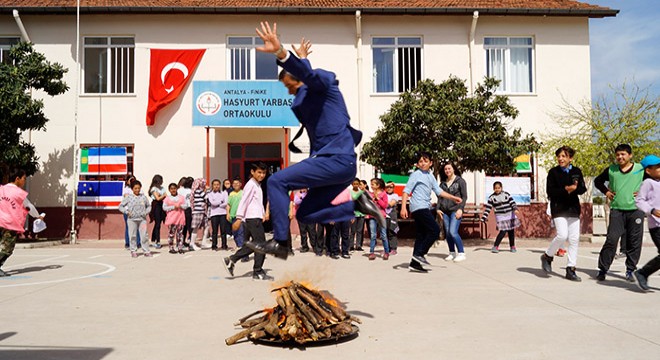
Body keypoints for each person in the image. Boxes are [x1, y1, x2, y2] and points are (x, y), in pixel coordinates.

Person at [246, 22, 384, 259]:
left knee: (276, 181)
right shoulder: (308, 94)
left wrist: (282, 53)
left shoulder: (323, 84)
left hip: (335, 158)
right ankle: (356, 206)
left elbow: (309, 76)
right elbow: (304, 77)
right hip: (342, 167)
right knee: (305, 214)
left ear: (297, 78)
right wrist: (301, 59)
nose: (289, 92)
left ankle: (280, 243)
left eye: (289, 86)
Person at [400, 152, 462, 272]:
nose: (423, 163)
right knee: (434, 230)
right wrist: (403, 207)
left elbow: (438, 191)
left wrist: (453, 198)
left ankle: (414, 263)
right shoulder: (415, 174)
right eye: (420, 161)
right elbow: (406, 191)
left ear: (430, 163)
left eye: (425, 161)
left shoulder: (430, 175)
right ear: (417, 164)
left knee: (421, 235)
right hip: (419, 207)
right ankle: (420, 254)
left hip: (425, 207)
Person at [594, 144, 645, 282]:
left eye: (623, 154)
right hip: (617, 210)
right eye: (618, 155)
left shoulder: (640, 169)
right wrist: (606, 192)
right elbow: (597, 181)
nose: (620, 157)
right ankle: (603, 269)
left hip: (636, 211)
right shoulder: (612, 170)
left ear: (630, 155)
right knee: (611, 239)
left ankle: (630, 270)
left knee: (634, 241)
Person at [540, 146, 587, 281]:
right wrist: (566, 189)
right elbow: (551, 191)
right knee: (562, 235)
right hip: (559, 208)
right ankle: (547, 256)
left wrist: (576, 189)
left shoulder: (577, 171)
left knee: (574, 239)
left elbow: (582, 188)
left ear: (570, 158)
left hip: (573, 209)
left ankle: (571, 268)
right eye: (559, 156)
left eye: (564, 156)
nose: (561, 159)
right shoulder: (553, 172)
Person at [223, 162, 272, 280]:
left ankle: (233, 259)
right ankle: (257, 271)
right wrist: (239, 218)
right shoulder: (250, 185)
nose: (261, 175)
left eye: (264, 173)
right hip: (252, 218)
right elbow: (244, 201)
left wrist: (263, 213)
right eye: (259, 172)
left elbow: (255, 202)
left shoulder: (256, 185)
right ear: (252, 172)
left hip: (254, 217)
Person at [0, 168, 44, 277]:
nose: (24, 181)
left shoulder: (1, 189)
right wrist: (38, 216)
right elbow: (29, 207)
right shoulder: (19, 193)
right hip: (9, 224)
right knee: (7, 248)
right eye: (24, 178)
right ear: (17, 178)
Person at [633, 155, 660, 291]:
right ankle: (642, 273)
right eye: (658, 167)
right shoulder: (648, 183)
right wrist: (651, 210)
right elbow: (639, 201)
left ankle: (643, 273)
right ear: (648, 171)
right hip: (656, 225)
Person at [437, 162, 468, 262]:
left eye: (449, 168)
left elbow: (464, 197)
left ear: (453, 169)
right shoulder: (442, 183)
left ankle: (461, 253)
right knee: (448, 233)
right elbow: (440, 197)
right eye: (445, 169)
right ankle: (451, 252)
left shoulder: (460, 181)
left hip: (456, 210)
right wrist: (438, 209)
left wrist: (460, 209)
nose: (447, 171)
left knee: (453, 232)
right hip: (445, 211)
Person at [481, 181, 521, 253]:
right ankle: (495, 246)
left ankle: (512, 246)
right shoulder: (492, 198)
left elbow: (512, 203)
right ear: (493, 189)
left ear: (501, 188)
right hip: (500, 216)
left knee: (511, 232)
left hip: (510, 215)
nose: (497, 189)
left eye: (499, 188)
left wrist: (515, 209)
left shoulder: (506, 194)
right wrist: (484, 217)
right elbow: (488, 208)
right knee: (502, 231)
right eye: (495, 188)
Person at [118, 180, 152, 258]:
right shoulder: (129, 197)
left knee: (144, 235)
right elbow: (120, 206)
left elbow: (149, 206)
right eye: (135, 188)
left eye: (138, 188)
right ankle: (133, 250)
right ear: (132, 189)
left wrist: (146, 212)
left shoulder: (143, 197)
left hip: (142, 220)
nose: (137, 190)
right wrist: (127, 212)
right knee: (132, 235)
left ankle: (146, 250)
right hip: (132, 220)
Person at [367, 178, 390, 261]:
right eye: (371, 184)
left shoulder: (384, 194)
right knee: (373, 235)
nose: (371, 185)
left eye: (373, 184)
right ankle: (371, 252)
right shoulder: (370, 194)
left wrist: (378, 199)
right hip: (372, 217)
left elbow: (385, 206)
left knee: (383, 235)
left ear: (378, 185)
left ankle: (386, 252)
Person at [163, 183, 188, 254]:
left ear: (177, 189)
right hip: (172, 219)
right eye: (171, 189)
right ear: (169, 190)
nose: (173, 190)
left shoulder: (182, 197)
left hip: (180, 218)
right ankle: (171, 248)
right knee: (171, 234)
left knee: (180, 234)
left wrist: (180, 206)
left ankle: (180, 247)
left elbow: (186, 205)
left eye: (174, 188)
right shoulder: (167, 198)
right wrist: (173, 207)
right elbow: (164, 207)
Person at [207, 179, 229, 250]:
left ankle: (224, 245)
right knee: (214, 231)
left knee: (223, 230)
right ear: (212, 186)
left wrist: (218, 203)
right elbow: (212, 203)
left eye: (218, 184)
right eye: (215, 185)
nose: (216, 186)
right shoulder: (210, 194)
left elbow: (226, 202)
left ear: (220, 185)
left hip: (223, 213)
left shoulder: (224, 193)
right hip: (214, 214)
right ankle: (214, 245)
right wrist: (220, 202)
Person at [189, 178, 209, 250]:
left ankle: (204, 242)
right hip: (198, 212)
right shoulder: (198, 191)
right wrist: (207, 190)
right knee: (195, 228)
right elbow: (207, 197)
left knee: (206, 226)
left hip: (203, 212)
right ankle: (192, 243)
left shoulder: (198, 191)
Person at [122, 175, 141, 250]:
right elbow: (128, 198)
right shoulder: (126, 189)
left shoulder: (138, 189)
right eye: (131, 180)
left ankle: (138, 243)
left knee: (137, 227)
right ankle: (128, 243)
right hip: (128, 211)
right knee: (128, 227)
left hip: (137, 211)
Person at [226, 178, 245, 251]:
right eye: (234, 183)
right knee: (235, 233)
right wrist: (227, 213)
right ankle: (238, 245)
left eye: (237, 183)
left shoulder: (243, 193)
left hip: (240, 216)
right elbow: (228, 205)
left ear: (240, 184)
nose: (236, 185)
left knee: (240, 232)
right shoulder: (231, 194)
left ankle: (241, 246)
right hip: (232, 216)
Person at [293, 188, 315, 253]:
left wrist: (302, 198)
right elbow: (296, 201)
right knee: (303, 232)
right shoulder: (297, 194)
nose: (303, 189)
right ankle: (304, 246)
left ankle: (314, 246)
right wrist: (302, 197)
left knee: (312, 232)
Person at [148, 174, 167, 249]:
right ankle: (157, 241)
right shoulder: (154, 188)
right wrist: (163, 196)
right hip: (156, 205)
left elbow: (164, 195)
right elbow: (157, 198)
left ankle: (154, 239)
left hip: (161, 205)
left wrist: (163, 196)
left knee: (159, 223)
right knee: (157, 223)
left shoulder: (162, 188)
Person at [349, 178, 366, 252]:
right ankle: (351, 245)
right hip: (354, 214)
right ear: (352, 184)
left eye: (357, 184)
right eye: (354, 184)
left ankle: (358, 245)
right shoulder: (350, 192)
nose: (356, 185)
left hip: (361, 214)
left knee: (359, 230)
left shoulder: (361, 192)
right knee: (352, 231)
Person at [178, 176, 194, 249]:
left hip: (184, 208)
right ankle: (189, 241)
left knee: (184, 226)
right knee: (188, 226)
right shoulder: (190, 191)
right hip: (186, 209)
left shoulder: (181, 190)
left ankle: (183, 241)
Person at [385, 181, 400, 256]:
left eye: (391, 187)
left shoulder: (395, 195)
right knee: (385, 232)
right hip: (384, 216)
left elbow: (390, 204)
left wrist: (381, 203)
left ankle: (393, 248)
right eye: (387, 187)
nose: (389, 188)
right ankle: (387, 249)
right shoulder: (384, 195)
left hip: (392, 216)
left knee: (392, 232)